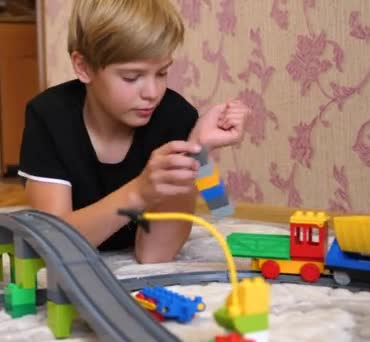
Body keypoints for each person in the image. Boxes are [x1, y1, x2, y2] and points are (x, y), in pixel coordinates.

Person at [18, 0, 249, 263]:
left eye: (162, 73)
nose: (152, 93)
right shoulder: (49, 115)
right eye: (131, 77)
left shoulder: (176, 116)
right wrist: (139, 192)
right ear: (83, 66)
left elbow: (154, 255)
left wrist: (196, 149)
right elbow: (55, 244)